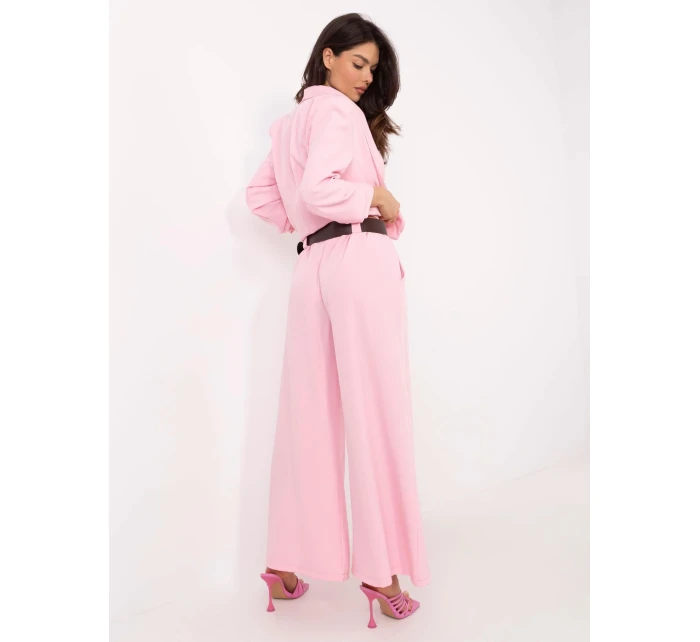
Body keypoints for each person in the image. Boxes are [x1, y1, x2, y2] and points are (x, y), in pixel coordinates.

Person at [246, 13, 430, 628]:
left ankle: (285, 565)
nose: (366, 77)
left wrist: (307, 225)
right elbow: (322, 189)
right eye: (358, 62)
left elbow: (262, 196)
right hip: (356, 258)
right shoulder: (337, 113)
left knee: (308, 416)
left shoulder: (288, 125)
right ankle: (383, 573)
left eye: (373, 69)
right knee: (377, 412)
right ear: (327, 55)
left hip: (312, 268)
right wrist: (376, 198)